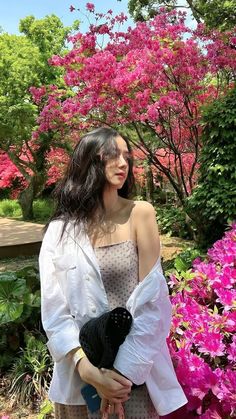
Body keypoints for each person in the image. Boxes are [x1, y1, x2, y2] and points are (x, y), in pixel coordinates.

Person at [39, 127, 187, 419]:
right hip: (80, 379)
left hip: (131, 380)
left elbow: (154, 304)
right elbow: (55, 313)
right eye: (112, 154)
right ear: (89, 162)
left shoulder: (140, 214)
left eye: (126, 156)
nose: (123, 163)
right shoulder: (59, 232)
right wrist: (92, 374)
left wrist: (117, 377)